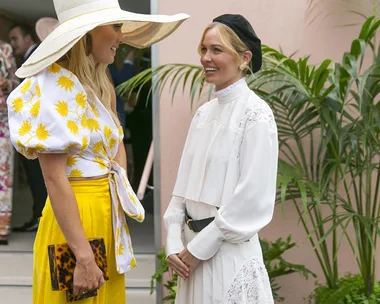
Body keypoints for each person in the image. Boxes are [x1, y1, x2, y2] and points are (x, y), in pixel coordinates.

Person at [7, 0, 188, 303]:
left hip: (104, 213)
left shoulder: (98, 82)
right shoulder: (54, 84)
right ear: (88, 32)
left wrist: (114, 183)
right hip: (76, 219)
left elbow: (116, 145)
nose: (121, 37)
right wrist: (84, 256)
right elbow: (53, 178)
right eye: (115, 27)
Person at [163, 14, 278, 303]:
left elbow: (251, 198)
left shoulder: (257, 114)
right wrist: (174, 243)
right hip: (191, 260)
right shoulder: (204, 113)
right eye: (203, 49)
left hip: (228, 258)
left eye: (216, 50)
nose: (206, 58)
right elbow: (182, 186)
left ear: (244, 57)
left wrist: (198, 249)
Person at [9, 23, 46, 232]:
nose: (13, 44)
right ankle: (39, 215)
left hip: (34, 128)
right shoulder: (27, 58)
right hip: (34, 129)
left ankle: (39, 217)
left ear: (28, 38)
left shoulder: (34, 58)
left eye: (15, 39)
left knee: (38, 176)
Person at [0, 40, 19, 245]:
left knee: (3, 174)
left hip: (2, 123)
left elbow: (17, 82)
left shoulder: (4, 50)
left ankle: (1, 229)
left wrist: (6, 84)